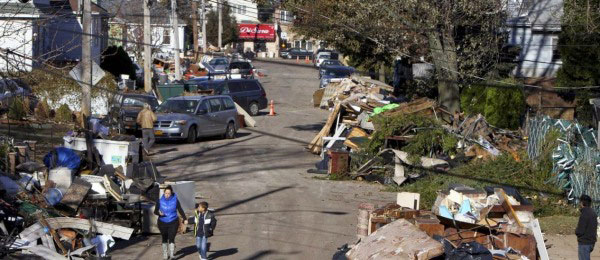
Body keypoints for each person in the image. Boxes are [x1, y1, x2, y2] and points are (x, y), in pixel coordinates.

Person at [154, 186, 186, 260]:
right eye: (166, 193)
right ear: (164, 193)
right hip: (162, 222)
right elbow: (155, 211)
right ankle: (165, 254)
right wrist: (159, 213)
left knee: (172, 237)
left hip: (173, 222)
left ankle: (171, 255)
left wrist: (185, 218)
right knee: (164, 238)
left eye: (169, 193)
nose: (167, 195)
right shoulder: (159, 201)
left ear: (171, 194)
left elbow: (180, 209)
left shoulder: (175, 200)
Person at [576, 194, 598, 260]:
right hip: (591, 242)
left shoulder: (584, 214)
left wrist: (576, 232)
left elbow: (580, 230)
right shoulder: (593, 213)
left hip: (584, 243)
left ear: (582, 203)